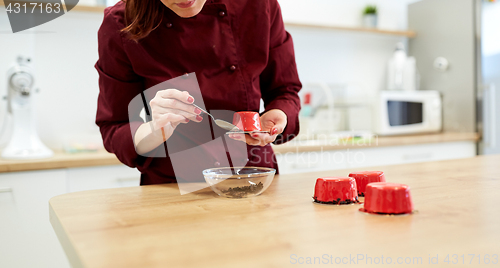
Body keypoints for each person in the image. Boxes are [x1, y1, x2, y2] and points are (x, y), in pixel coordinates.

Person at [95, 0, 302, 185]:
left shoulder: (258, 5)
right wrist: (154, 130)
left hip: (254, 178)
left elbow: (285, 90)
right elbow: (114, 126)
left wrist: (279, 115)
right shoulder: (121, 23)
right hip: (172, 187)